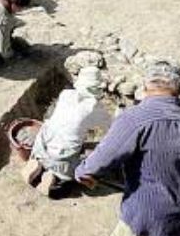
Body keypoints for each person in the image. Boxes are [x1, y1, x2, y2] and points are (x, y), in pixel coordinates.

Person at [75, 60, 180, 236]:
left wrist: (81, 172)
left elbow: (93, 166)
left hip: (150, 216)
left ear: (145, 86)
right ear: (179, 88)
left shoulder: (136, 118)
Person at [22, 66, 114, 197]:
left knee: (60, 136)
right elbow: (112, 130)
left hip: (41, 145)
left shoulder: (66, 94)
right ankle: (56, 176)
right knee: (97, 157)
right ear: (97, 88)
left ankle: (39, 165)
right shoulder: (94, 107)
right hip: (62, 161)